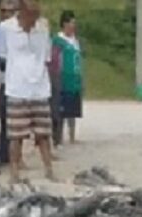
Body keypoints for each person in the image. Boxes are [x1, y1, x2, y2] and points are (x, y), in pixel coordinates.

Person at [0, 0, 54, 183]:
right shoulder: (5, 28)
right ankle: (14, 172)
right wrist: (13, 73)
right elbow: (0, 57)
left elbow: (47, 56)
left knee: (43, 134)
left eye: (37, 14)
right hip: (17, 88)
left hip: (40, 88)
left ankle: (49, 170)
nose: (35, 19)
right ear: (22, 12)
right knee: (15, 135)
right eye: (32, 14)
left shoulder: (43, 27)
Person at [0, 0, 17, 173]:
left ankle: (14, 158)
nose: (8, 13)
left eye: (11, 10)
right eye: (5, 10)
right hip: (3, 81)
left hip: (19, 81)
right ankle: (3, 158)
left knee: (17, 124)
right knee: (6, 122)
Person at [53, 10, 83, 144]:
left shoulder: (75, 40)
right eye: (71, 23)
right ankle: (58, 137)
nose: (73, 26)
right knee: (61, 108)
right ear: (65, 24)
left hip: (75, 77)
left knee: (73, 109)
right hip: (62, 78)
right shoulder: (58, 40)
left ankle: (72, 136)